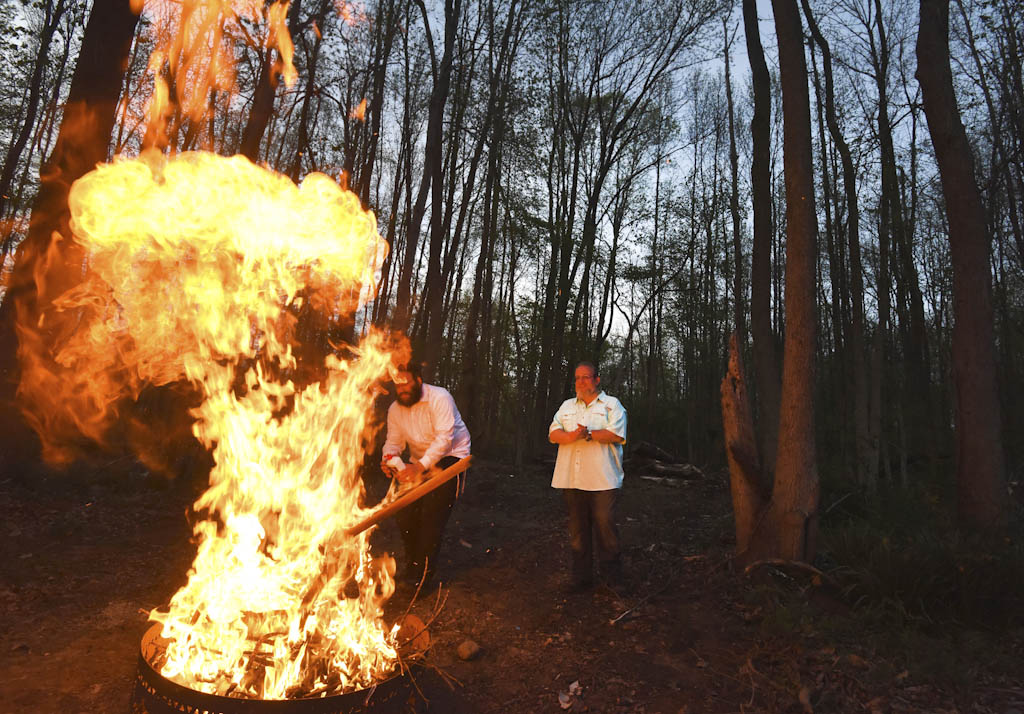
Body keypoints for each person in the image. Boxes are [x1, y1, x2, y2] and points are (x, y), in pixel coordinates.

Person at [381, 361, 471, 586]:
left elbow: (444, 439)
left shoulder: (439, 397)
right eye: (397, 384)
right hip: (418, 461)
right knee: (404, 512)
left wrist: (420, 467)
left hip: (452, 457)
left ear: (418, 380)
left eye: (406, 383)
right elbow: (394, 442)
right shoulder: (395, 409)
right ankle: (413, 565)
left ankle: (423, 578)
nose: (401, 389)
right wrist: (388, 459)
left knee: (432, 515)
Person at [548, 361, 627, 593]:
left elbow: (616, 433)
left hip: (603, 478)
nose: (581, 382)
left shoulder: (612, 405)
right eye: (577, 378)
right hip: (572, 477)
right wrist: (571, 435)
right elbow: (553, 433)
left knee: (605, 526)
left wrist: (589, 434)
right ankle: (581, 578)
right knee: (578, 530)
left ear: (597, 380)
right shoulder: (567, 406)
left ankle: (613, 579)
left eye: (586, 377)